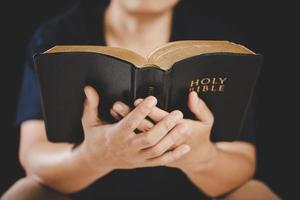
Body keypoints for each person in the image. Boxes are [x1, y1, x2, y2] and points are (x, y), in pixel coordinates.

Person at [1, 0, 280, 199]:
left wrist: (199, 156)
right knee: (26, 192)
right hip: (80, 191)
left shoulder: (222, 44)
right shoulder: (57, 38)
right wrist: (96, 157)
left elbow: (243, 164)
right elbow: (34, 157)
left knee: (253, 192)